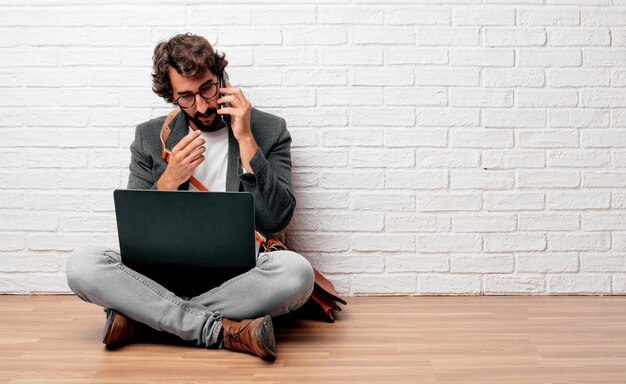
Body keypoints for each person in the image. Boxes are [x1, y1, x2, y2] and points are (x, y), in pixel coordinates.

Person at [66, 33, 315, 361]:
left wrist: (246, 142)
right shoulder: (150, 137)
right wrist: (170, 180)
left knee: (297, 273)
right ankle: (220, 330)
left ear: (222, 78)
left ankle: (146, 320)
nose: (201, 105)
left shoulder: (269, 130)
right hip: (162, 273)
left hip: (239, 278)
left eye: (207, 88)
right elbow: (137, 230)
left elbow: (277, 218)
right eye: (186, 96)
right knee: (82, 264)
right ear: (171, 95)